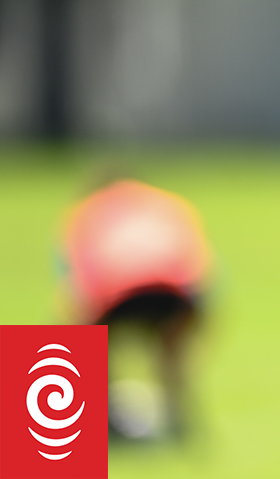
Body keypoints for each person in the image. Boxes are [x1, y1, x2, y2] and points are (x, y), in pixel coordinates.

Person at [61, 178, 210, 441]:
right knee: (171, 353)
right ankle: (179, 420)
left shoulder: (88, 211)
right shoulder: (166, 205)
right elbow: (197, 265)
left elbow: (77, 281)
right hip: (174, 289)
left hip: (117, 287)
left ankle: (88, 424)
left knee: (83, 344)